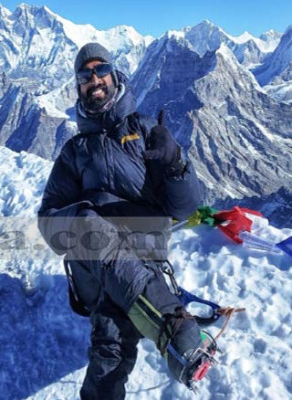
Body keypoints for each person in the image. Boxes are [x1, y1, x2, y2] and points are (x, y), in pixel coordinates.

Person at [37, 43, 213, 400]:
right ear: (78, 87)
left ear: (115, 75)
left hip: (144, 258)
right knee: (91, 231)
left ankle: (167, 325)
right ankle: (171, 326)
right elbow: (49, 222)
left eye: (101, 69)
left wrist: (176, 163)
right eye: (84, 75)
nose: (94, 79)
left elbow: (187, 207)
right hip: (95, 262)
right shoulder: (74, 152)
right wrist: (84, 218)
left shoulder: (147, 130)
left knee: (111, 338)